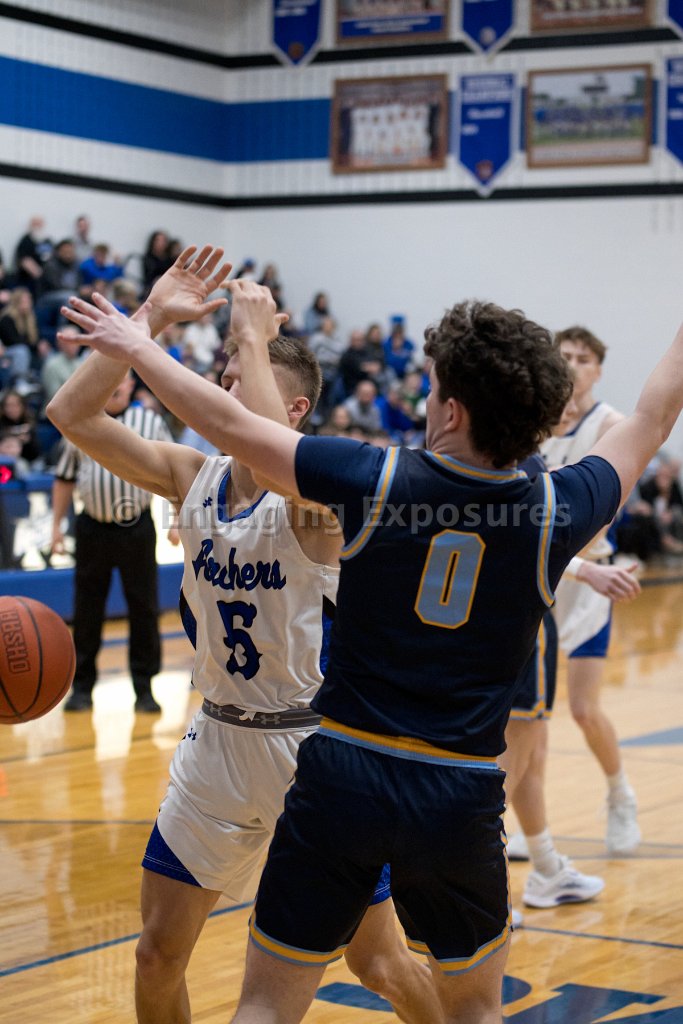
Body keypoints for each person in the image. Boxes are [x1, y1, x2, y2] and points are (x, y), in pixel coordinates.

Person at [56, 274, 683, 1024]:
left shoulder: (375, 481)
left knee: (288, 995)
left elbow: (243, 434)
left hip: (333, 764)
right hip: (440, 783)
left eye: (432, 387)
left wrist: (153, 337)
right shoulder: (557, 506)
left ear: (450, 409)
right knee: (469, 1006)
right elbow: (652, 414)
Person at [48, 248, 445, 1024]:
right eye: (223, 374)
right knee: (156, 953)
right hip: (218, 743)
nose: (218, 391)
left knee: (378, 964)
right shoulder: (187, 475)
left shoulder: (321, 503)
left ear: (292, 410)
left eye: (234, 380)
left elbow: (274, 459)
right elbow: (72, 416)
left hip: (311, 751)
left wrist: (255, 341)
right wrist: (149, 318)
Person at [502, 433, 640, 912]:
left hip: (474, 627)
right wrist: (588, 570)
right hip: (522, 622)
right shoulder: (525, 462)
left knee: (530, 754)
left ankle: (546, 868)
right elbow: (533, 541)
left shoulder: (458, 454)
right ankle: (480, 890)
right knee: (510, 760)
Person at [540, 325, 641, 857]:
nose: (573, 365)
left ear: (598, 370)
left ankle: (620, 794)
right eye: (565, 356)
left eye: (583, 358)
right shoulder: (531, 421)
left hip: (589, 578)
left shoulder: (611, 425)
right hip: (538, 577)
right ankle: (531, 826)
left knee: (582, 709)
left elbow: (599, 513)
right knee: (528, 716)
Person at [51, 368, 173, 713]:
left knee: (144, 608)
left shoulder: (150, 422)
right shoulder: (79, 420)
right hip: (92, 528)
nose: (115, 384)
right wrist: (56, 526)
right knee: (87, 610)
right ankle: (82, 687)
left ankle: (145, 689)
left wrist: (178, 519)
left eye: (121, 378)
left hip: (136, 528)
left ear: (130, 384)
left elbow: (174, 470)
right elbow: (64, 478)